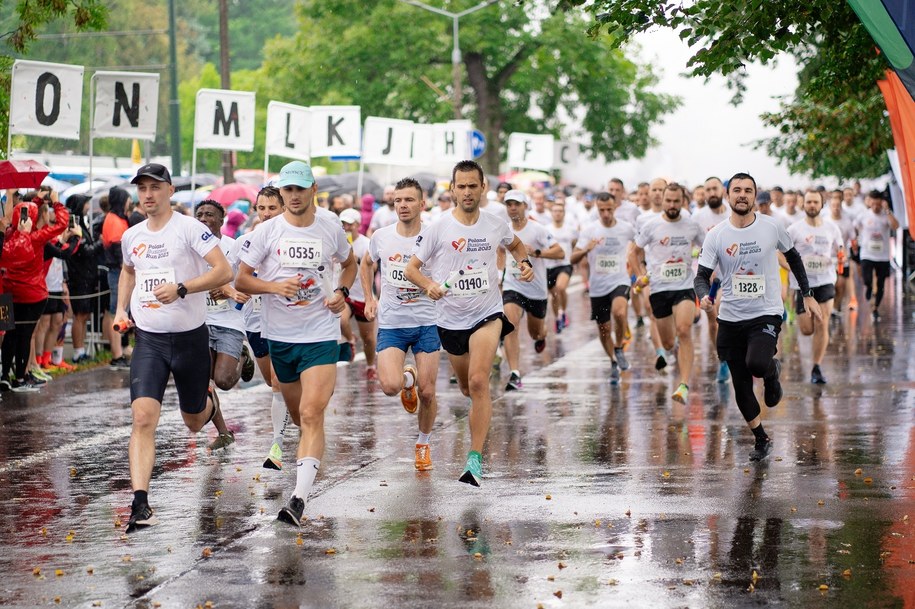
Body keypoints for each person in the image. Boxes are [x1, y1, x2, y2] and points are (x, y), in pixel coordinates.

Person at [236, 160, 356, 526]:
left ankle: (298, 499)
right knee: (299, 415)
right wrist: (273, 286)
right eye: (287, 190)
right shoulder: (267, 232)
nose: (293, 196)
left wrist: (342, 291)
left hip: (320, 334)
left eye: (299, 189)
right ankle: (308, 462)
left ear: (313, 189)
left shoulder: (330, 227)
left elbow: (349, 264)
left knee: (310, 413)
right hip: (280, 338)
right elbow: (241, 280)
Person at [114, 163, 233, 533]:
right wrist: (121, 308)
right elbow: (129, 271)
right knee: (142, 418)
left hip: (189, 338)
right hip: (148, 339)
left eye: (154, 188)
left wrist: (183, 288)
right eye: (142, 189)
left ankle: (209, 403)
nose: (147, 195)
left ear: (170, 190)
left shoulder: (190, 229)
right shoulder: (131, 235)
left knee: (194, 422)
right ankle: (140, 502)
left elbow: (223, 271)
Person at [404, 160, 533, 488]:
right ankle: (434, 380)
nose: (466, 192)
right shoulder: (438, 227)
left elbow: (515, 244)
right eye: (460, 186)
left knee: (478, 382)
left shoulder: (495, 222)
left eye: (472, 186)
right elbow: (412, 269)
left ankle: (474, 460)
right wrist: (428, 285)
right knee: (465, 387)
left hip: (487, 313)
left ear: (483, 187)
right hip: (450, 320)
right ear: (452, 189)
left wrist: (525, 263)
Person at [695, 172, 823, 462]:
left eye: (748, 191)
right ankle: (761, 438)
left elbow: (794, 258)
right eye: (736, 190)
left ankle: (771, 371)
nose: (742, 195)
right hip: (730, 317)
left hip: (765, 311)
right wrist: (704, 295)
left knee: (756, 363)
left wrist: (807, 293)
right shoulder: (716, 235)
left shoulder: (772, 226)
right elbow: (702, 275)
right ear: (728, 196)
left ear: (755, 197)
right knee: (740, 382)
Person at [361, 177, 441, 471]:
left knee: (429, 392)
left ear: (422, 204)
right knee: (390, 387)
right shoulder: (381, 236)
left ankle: (423, 443)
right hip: (393, 322)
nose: (403, 205)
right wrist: (370, 297)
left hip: (427, 321)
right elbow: (367, 263)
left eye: (409, 200)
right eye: (398, 200)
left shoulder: (434, 235)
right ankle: (407, 380)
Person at [630, 183, 705, 403]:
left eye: (676, 201)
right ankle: (675, 354)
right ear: (662, 200)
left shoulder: (692, 225)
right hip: (659, 289)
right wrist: (641, 275)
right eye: (668, 201)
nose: (672, 205)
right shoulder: (651, 226)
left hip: (684, 287)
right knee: (670, 342)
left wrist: (704, 272)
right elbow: (633, 253)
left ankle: (683, 385)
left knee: (684, 330)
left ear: (683, 201)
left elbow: (708, 248)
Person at [194, 199, 256, 450]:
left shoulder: (233, 247)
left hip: (230, 320)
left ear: (222, 220)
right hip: (200, 320)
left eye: (209, 214)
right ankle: (223, 433)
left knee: (223, 380)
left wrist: (228, 289)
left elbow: (247, 280)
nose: (203, 218)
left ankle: (243, 356)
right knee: (202, 379)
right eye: (199, 214)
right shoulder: (190, 248)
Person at [237, 186, 290, 471]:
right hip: (255, 322)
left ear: (283, 208)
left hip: (285, 320)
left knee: (279, 382)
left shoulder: (292, 240)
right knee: (273, 382)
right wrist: (229, 291)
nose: (266, 213)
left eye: (272, 207)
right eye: (261, 208)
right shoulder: (245, 242)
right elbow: (229, 275)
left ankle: (277, 446)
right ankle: (295, 411)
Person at [1, 190, 69, 391]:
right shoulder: (36, 238)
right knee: (24, 336)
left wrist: (36, 200)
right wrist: (56, 203)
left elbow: (18, 217)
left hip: (9, 292)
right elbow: (62, 224)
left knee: (11, 336)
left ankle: (5, 375)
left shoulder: (7, 235)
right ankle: (20, 378)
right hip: (32, 295)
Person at [570, 192, 636, 385]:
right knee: (604, 329)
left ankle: (619, 347)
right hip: (598, 287)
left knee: (620, 312)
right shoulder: (590, 230)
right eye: (601, 210)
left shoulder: (626, 228)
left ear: (615, 207)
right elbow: (572, 258)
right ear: (597, 209)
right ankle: (613, 360)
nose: (605, 214)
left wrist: (639, 265)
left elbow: (640, 245)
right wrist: (585, 249)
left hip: (620, 280)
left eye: (609, 209)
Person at [500, 189, 563, 391]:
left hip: (535, 289)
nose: (512, 208)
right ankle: (515, 373)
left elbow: (559, 252)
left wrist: (535, 252)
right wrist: (497, 275)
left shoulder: (538, 230)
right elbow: (499, 253)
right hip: (513, 285)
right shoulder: (503, 230)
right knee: (510, 324)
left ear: (525, 206)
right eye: (509, 204)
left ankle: (542, 335)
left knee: (535, 333)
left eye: (516, 204)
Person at [785, 190, 844, 384]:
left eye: (815, 202)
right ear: (804, 205)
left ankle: (816, 367)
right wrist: (791, 267)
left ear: (821, 204)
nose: (812, 205)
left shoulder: (831, 228)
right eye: (809, 202)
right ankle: (815, 359)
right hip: (803, 286)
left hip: (826, 281)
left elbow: (841, 249)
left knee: (822, 322)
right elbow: (778, 252)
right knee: (806, 329)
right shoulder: (794, 230)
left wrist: (839, 258)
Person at [691, 176, 732, 382]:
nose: (711, 193)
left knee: (732, 319)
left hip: (734, 275)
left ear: (723, 191)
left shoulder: (734, 212)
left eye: (714, 188)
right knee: (714, 321)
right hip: (709, 277)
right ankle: (723, 360)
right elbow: (691, 244)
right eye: (707, 190)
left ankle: (738, 356)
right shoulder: (698, 217)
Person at [63, 194, 103, 364]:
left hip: (86, 275)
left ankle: (81, 350)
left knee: (85, 314)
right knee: (79, 315)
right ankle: (78, 352)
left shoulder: (82, 224)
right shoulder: (74, 227)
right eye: (86, 203)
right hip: (79, 276)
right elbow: (82, 251)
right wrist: (100, 243)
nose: (88, 206)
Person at [338, 208, 377, 377]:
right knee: (341, 320)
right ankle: (350, 339)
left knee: (368, 338)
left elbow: (373, 267)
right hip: (345, 292)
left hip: (362, 295)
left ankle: (370, 366)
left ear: (358, 225)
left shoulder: (366, 243)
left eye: (349, 224)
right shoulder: (337, 242)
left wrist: (357, 261)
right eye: (343, 223)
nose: (346, 227)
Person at [855, 190, 899, 321]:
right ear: (869, 202)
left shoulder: (886, 215)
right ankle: (868, 287)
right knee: (867, 278)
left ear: (882, 203)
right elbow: (856, 227)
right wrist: (858, 240)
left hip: (883, 255)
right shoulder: (863, 215)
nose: (875, 207)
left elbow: (896, 226)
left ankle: (875, 309)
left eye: (878, 204)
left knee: (880, 283)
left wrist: (887, 210)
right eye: (873, 204)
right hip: (867, 254)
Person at [101, 186, 130, 369]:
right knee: (115, 313)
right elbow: (119, 253)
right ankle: (117, 354)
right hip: (117, 272)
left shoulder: (115, 219)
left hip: (116, 271)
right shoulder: (114, 221)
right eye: (127, 199)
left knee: (115, 312)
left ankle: (119, 352)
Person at [545, 198, 578, 333]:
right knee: (554, 295)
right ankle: (557, 317)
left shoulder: (571, 229)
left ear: (564, 213)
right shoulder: (546, 229)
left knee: (560, 287)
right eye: (555, 211)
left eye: (560, 211)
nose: (557, 213)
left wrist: (572, 257)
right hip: (549, 266)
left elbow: (575, 244)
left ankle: (563, 311)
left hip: (565, 264)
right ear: (551, 213)